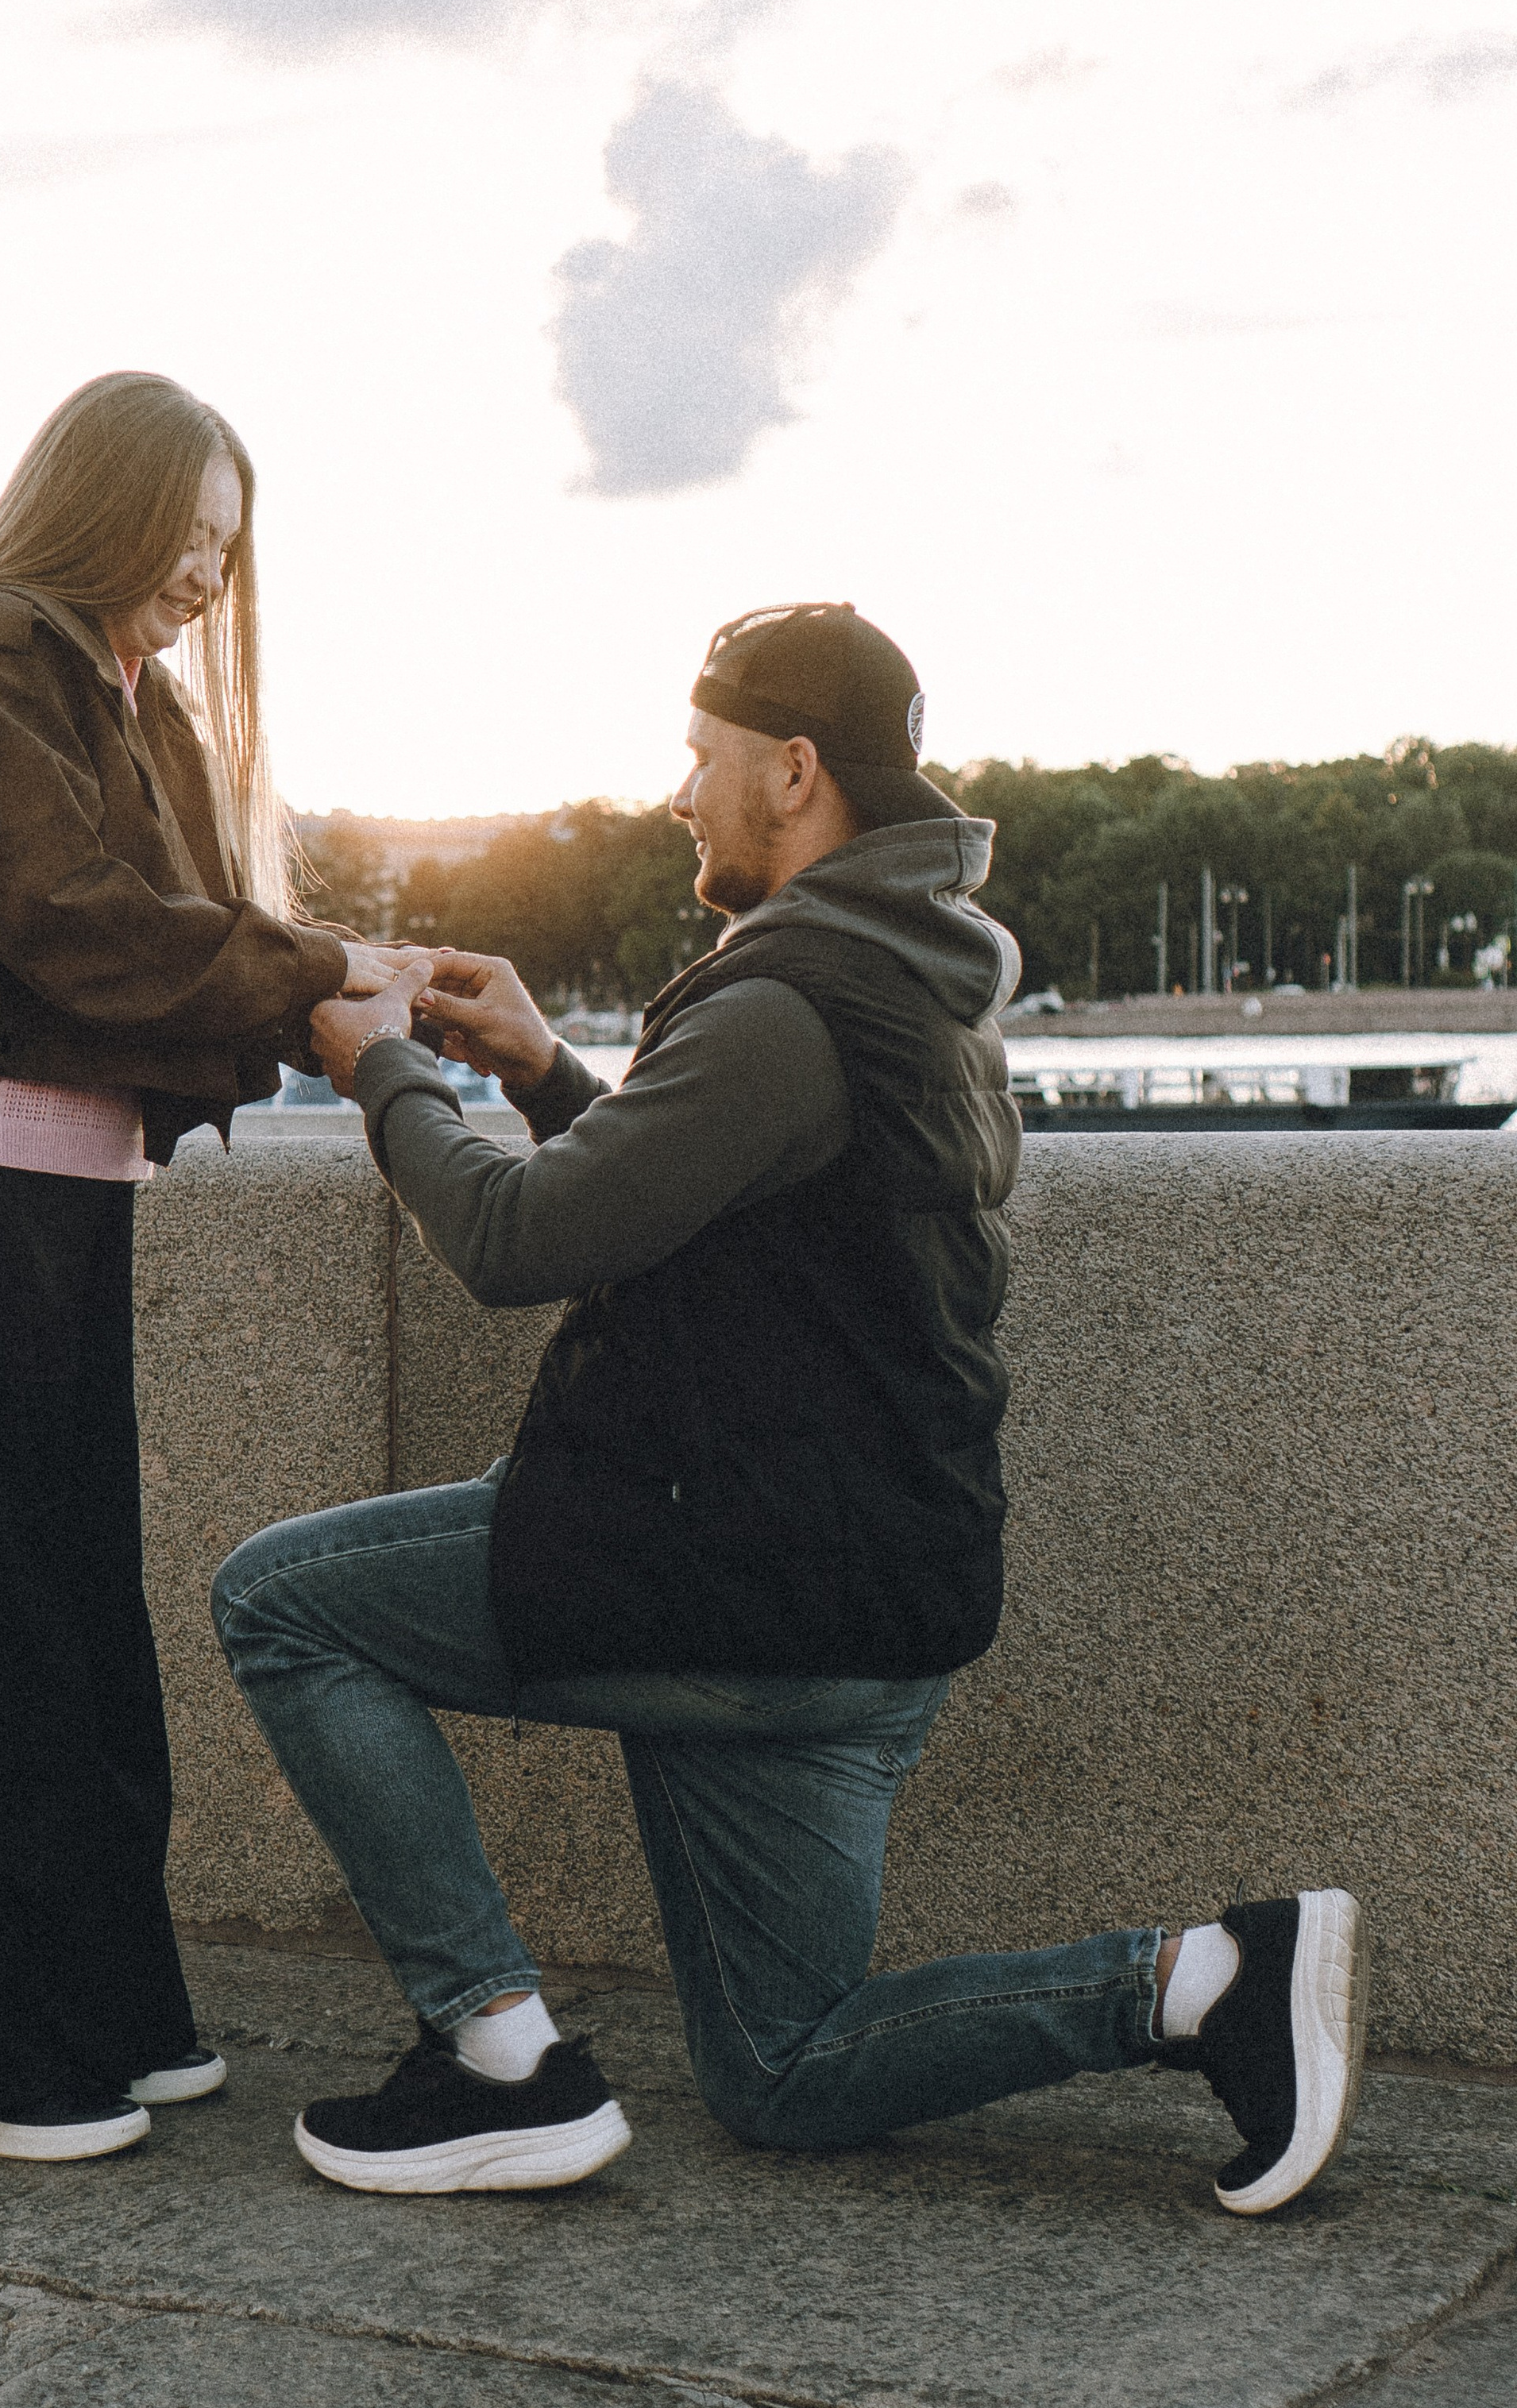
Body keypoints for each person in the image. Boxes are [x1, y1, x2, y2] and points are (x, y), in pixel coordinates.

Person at [212, 602, 1368, 2209]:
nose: (678, 794)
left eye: (702, 757)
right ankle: (1201, 1982)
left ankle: (494, 2057)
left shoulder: (781, 1002)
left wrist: (386, 1068)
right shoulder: (911, 977)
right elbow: (727, 1204)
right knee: (783, 2069)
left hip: (732, 1577)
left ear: (795, 770)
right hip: (865, 1601)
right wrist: (546, 1074)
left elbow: (515, 1243)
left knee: (280, 1604)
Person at [0, 370, 421, 2163]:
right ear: (100, 506)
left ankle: (102, 2011)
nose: (210, 574)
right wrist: (325, 976)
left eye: (229, 545)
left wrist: (353, 979)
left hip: (39, 1203)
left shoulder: (118, 695)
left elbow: (172, 943)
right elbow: (80, 931)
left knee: (69, 1626)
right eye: (187, 535)